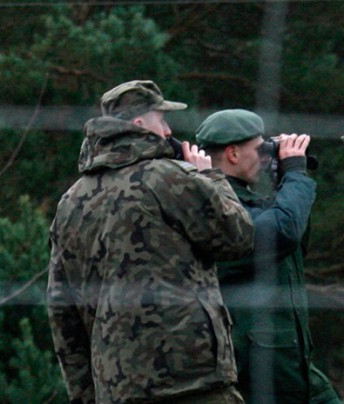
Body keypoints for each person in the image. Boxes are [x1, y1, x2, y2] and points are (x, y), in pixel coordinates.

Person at [46, 80, 255, 403]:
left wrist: (86, 395)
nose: (169, 131)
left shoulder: (71, 202)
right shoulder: (166, 177)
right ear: (140, 124)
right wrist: (212, 177)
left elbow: (62, 309)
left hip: (117, 391)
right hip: (192, 385)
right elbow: (238, 236)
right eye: (162, 120)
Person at [196, 109, 341, 404]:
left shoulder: (252, 204)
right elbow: (282, 234)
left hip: (291, 366)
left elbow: (294, 245)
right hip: (256, 373)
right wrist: (296, 177)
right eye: (259, 150)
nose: (264, 158)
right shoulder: (213, 205)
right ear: (233, 154)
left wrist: (285, 183)